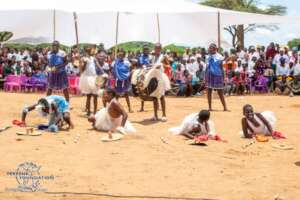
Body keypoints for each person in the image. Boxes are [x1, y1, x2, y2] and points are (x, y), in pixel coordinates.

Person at [205, 43, 228, 111]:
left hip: (218, 76)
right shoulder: (207, 57)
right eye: (209, 48)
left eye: (210, 48)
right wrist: (205, 77)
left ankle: (225, 107)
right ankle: (210, 107)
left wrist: (224, 78)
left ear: (215, 49)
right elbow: (206, 67)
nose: (209, 49)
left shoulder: (220, 57)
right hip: (209, 75)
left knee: (220, 92)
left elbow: (221, 68)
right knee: (209, 91)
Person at [79, 47, 100, 116]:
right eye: (90, 51)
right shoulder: (83, 59)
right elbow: (82, 70)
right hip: (87, 78)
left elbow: (98, 65)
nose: (92, 52)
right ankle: (88, 112)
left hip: (94, 77)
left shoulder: (93, 58)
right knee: (88, 96)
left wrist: (103, 71)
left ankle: (94, 112)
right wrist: (84, 63)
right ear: (87, 52)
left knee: (95, 95)